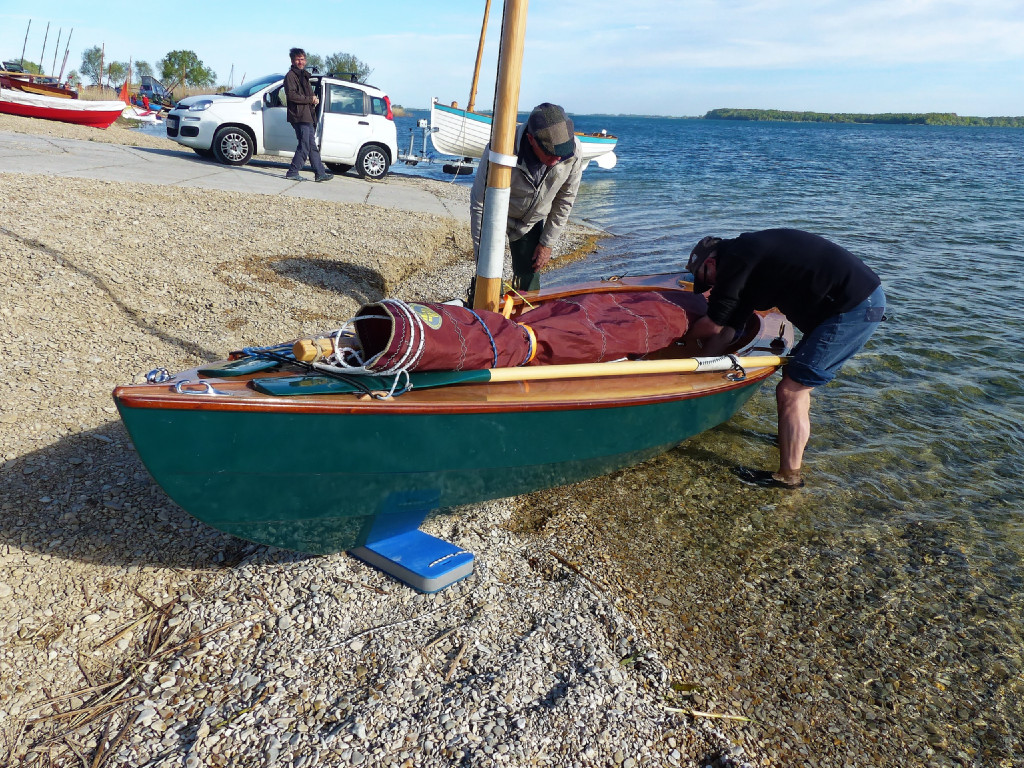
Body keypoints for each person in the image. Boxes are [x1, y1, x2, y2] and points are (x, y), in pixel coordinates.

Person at [681, 228, 885, 489]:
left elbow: (713, 324)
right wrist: (694, 370)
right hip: (845, 305)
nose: (712, 287)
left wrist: (680, 340)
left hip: (854, 307)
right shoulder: (749, 264)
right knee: (797, 382)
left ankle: (788, 477)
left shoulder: (736, 255)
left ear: (710, 262)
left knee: (792, 389)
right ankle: (793, 438)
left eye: (707, 280)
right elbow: (729, 328)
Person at [469, 103, 584, 299]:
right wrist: (483, 260)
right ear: (531, 139)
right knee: (488, 281)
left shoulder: (573, 151)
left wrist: (547, 243)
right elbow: (479, 204)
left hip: (530, 223)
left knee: (530, 283)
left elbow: (565, 200)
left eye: (561, 153)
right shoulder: (500, 147)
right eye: (549, 152)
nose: (557, 158)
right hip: (495, 216)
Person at [284, 47, 332, 183]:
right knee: (304, 144)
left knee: (311, 146)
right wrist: (309, 99)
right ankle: (293, 171)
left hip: (308, 114)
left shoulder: (304, 75)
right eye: (298, 59)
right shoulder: (290, 76)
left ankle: (320, 173)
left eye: (303, 59)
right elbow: (292, 96)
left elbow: (308, 94)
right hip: (299, 115)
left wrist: (314, 98)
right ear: (292, 61)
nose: (301, 62)